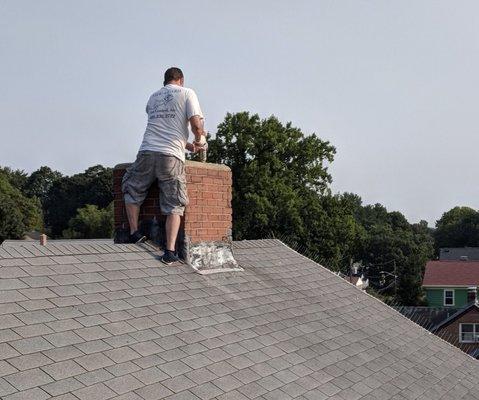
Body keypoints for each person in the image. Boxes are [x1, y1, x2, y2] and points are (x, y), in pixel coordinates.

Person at [121, 67, 207, 264]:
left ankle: (134, 232)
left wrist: (187, 145)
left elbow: (163, 128)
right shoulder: (187, 93)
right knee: (174, 203)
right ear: (181, 80)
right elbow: (195, 123)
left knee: (132, 188)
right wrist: (199, 139)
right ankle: (169, 252)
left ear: (165, 81)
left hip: (147, 151)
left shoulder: (153, 97)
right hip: (170, 156)